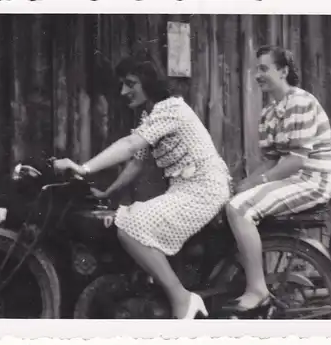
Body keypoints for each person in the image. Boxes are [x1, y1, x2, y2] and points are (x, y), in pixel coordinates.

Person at [53, 56, 232, 319]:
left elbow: (129, 145)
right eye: (123, 85)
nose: (124, 91)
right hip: (187, 189)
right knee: (133, 222)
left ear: (149, 81)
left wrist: (84, 168)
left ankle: (182, 298)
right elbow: (137, 163)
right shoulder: (153, 115)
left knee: (131, 228)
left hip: (203, 189)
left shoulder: (171, 109)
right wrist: (107, 192)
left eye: (130, 84)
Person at [223, 46, 331, 312]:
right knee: (233, 200)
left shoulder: (300, 102)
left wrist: (257, 181)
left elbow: (296, 160)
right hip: (291, 179)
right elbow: (272, 161)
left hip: (311, 180)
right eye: (257, 69)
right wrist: (246, 183)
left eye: (264, 69)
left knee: (239, 209)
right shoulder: (270, 112)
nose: (257, 75)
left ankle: (257, 289)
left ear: (283, 71)